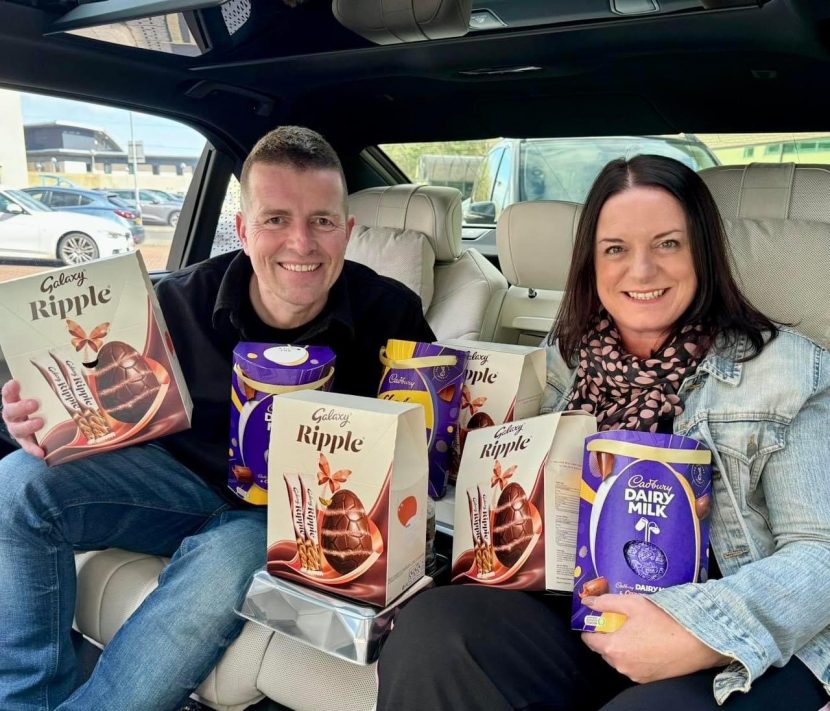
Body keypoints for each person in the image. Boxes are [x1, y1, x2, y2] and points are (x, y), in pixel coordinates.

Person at [0, 125, 434, 711]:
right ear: (244, 227)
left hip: (285, 515)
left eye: (323, 222)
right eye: (276, 219)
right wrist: (33, 422)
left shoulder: (392, 312)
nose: (301, 244)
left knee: (227, 558)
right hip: (173, 482)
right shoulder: (176, 301)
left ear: (348, 231)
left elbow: (423, 448)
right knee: (15, 485)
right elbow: (94, 401)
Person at [376, 154, 830, 710]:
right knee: (432, 632)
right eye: (616, 248)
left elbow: (820, 553)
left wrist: (697, 630)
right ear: (591, 262)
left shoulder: (787, 370)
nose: (641, 271)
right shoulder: (565, 361)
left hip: (730, 637)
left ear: (703, 255)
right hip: (583, 611)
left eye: (668, 244)